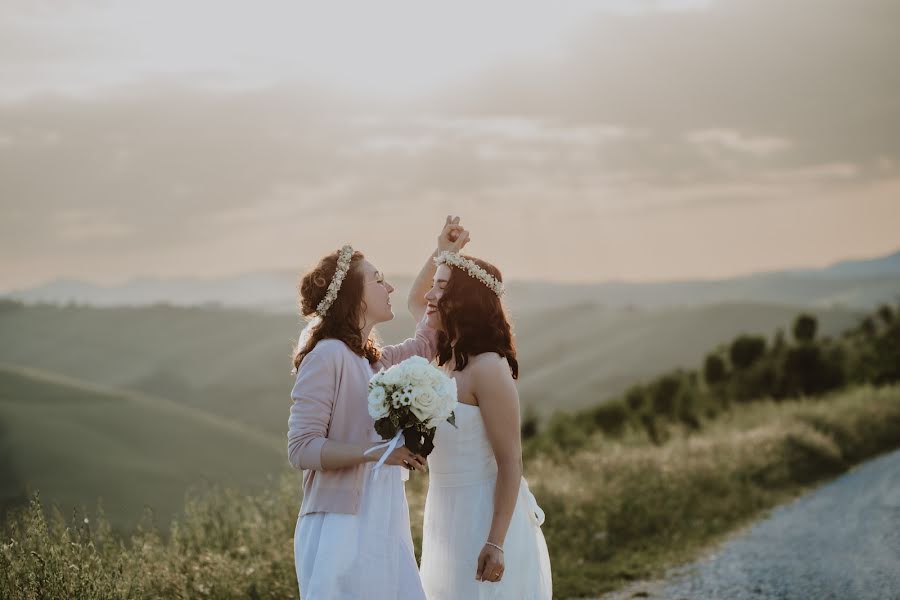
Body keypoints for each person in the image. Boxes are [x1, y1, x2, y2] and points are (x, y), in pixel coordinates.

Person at [287, 218, 470, 599]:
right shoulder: (326, 356)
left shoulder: (372, 361)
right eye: (379, 280)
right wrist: (379, 453)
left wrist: (445, 257)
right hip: (340, 524)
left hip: (384, 516)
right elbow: (301, 448)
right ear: (354, 296)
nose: (390, 287)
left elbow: (427, 341)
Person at [417, 251, 552, 600]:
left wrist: (495, 542)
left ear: (466, 299)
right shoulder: (444, 359)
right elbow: (413, 301)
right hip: (443, 512)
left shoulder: (488, 368)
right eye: (432, 286)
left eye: (441, 287)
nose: (430, 296)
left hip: (481, 512)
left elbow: (511, 463)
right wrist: (440, 247)